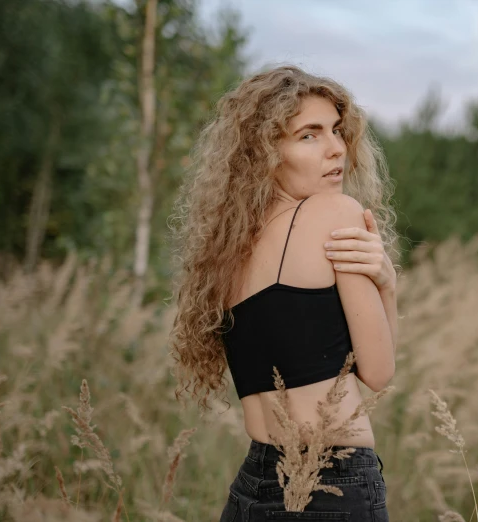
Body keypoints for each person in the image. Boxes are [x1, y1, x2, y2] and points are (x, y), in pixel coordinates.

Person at [167, 65, 400, 521]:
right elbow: (379, 371)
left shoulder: (225, 251)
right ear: (265, 152)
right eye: (308, 135)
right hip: (333, 482)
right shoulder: (335, 214)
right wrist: (388, 286)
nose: (336, 149)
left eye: (336, 130)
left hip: (253, 483)